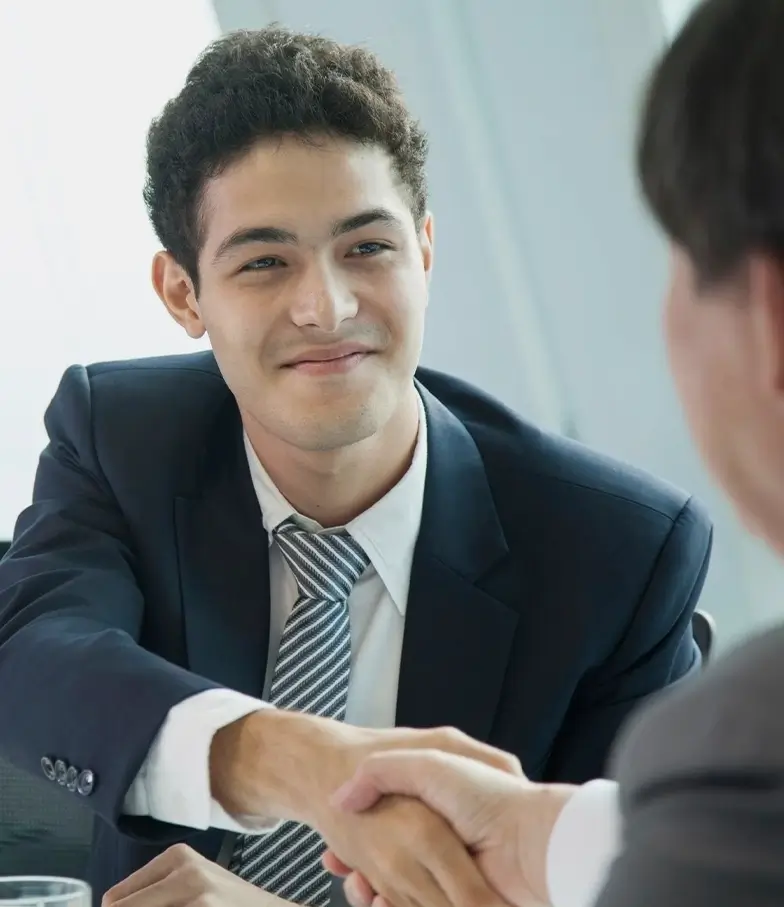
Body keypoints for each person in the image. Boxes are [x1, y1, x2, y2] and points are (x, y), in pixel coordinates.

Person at [0, 25, 711, 907]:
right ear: (183, 294)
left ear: (424, 249)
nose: (325, 307)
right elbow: (28, 656)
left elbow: (645, 886)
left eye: (366, 248)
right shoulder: (121, 439)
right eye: (264, 262)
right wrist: (315, 766)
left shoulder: (616, 551)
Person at [317, 1, 784, 906]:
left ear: (771, 321)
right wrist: (541, 836)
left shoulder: (741, 753)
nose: (326, 309)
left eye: (678, 258)